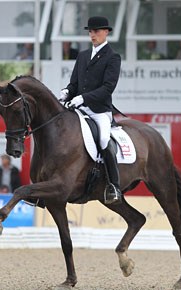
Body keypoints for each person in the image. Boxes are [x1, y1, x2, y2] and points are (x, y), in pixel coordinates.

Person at [59, 16, 122, 204]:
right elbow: (75, 83)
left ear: (106, 32)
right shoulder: (83, 55)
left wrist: (83, 98)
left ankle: (114, 186)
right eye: (90, 32)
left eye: (96, 31)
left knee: (103, 138)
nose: (93, 35)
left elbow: (107, 88)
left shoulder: (113, 57)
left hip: (99, 110)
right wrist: (67, 92)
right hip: (79, 109)